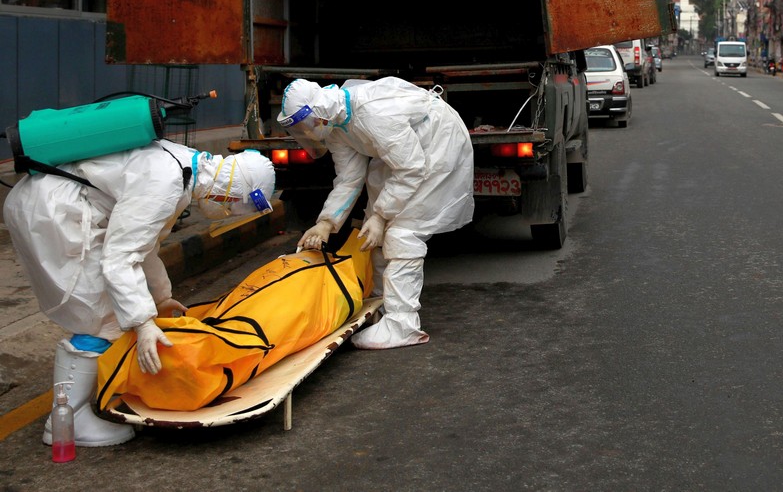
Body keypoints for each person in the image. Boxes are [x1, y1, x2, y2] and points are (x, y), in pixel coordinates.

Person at [2, 143, 275, 447]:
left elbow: (145, 246)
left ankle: (76, 408)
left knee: (109, 309)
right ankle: (69, 419)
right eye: (234, 204)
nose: (226, 209)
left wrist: (160, 297)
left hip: (50, 203)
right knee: (100, 317)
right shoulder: (168, 184)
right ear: (236, 189)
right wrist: (143, 322)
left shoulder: (183, 169)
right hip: (53, 211)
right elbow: (121, 257)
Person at [279, 76, 474, 350]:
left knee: (403, 230)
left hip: (437, 143)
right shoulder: (335, 124)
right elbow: (349, 178)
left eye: (305, 125)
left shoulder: (373, 112)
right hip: (405, 149)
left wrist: (382, 217)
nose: (307, 133)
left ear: (318, 113)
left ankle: (402, 324)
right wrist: (326, 223)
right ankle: (381, 305)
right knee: (372, 231)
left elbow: (411, 168)